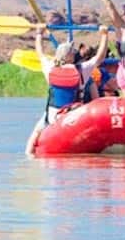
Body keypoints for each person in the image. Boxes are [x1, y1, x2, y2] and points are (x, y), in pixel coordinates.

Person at [24, 25, 109, 155]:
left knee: (35, 133)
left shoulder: (49, 68)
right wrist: (104, 35)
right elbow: (100, 57)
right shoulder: (82, 70)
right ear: (71, 55)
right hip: (75, 116)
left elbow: (40, 53)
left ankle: (28, 157)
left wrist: (39, 33)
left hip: (53, 118)